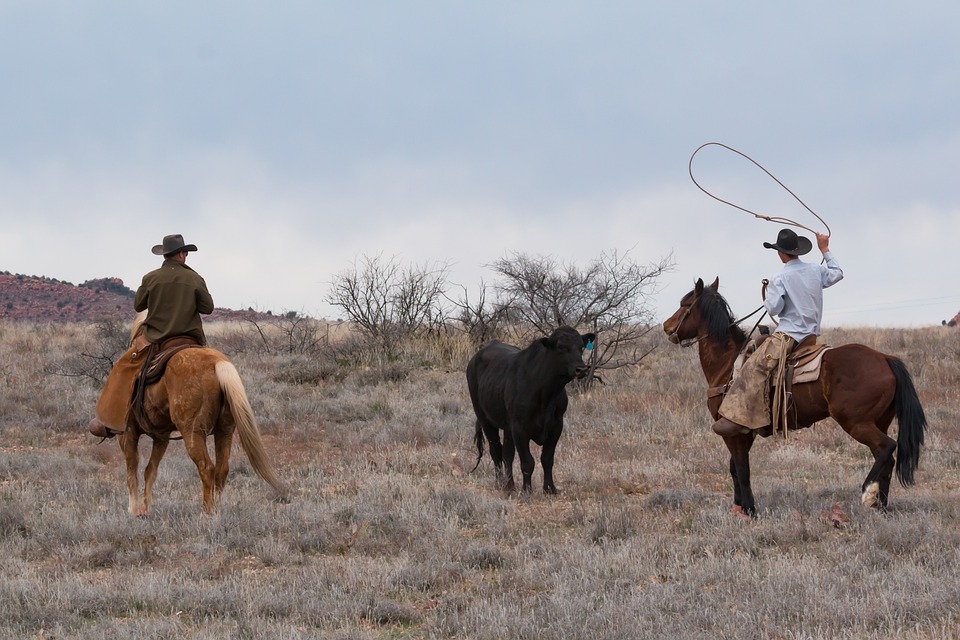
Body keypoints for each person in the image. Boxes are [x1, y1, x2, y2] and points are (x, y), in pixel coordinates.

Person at [712, 228, 843, 437]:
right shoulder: (815, 270)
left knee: (754, 367)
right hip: (811, 337)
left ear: (780, 253)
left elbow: (773, 308)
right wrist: (825, 249)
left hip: (789, 336)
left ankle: (741, 419)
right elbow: (837, 274)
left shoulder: (780, 277)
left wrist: (770, 294)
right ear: (797, 250)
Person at [88, 234, 214, 438]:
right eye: (186, 253)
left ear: (166, 255)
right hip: (191, 340)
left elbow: (139, 305)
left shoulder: (151, 278)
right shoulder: (195, 278)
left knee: (123, 368)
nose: (186, 256)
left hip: (158, 340)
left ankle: (111, 422)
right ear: (181, 254)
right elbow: (207, 308)